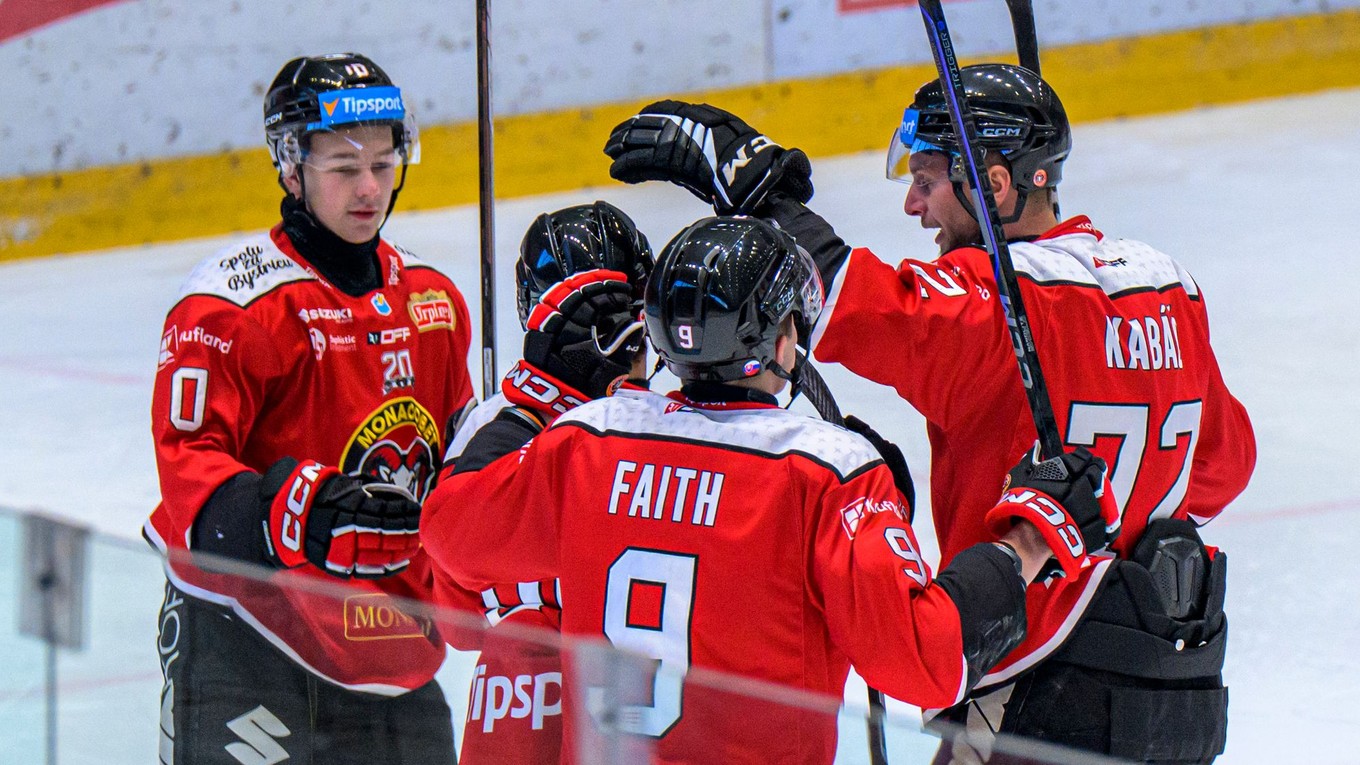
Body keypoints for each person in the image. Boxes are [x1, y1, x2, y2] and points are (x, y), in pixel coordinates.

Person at [602, 64, 1256, 764]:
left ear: (995, 185)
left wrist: (766, 195)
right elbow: (1223, 465)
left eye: (927, 181)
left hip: (1037, 696)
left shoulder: (996, 302)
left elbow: (860, 306)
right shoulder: (1166, 288)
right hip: (1179, 698)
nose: (914, 206)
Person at [422, 214, 1120, 764]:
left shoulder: (588, 439)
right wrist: (1027, 536)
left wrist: (527, 396)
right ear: (782, 341)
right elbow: (924, 660)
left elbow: (452, 532)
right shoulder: (826, 471)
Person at [144, 52, 473, 764]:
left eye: (384, 164)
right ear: (291, 166)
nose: (369, 188)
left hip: (392, 642)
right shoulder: (230, 308)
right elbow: (189, 476)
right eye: (343, 167)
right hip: (251, 640)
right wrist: (293, 510)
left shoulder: (435, 302)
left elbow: (456, 463)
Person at [432, 200, 656, 764]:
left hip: (526, 696)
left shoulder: (494, 424)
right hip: (614, 705)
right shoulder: (671, 421)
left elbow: (459, 616)